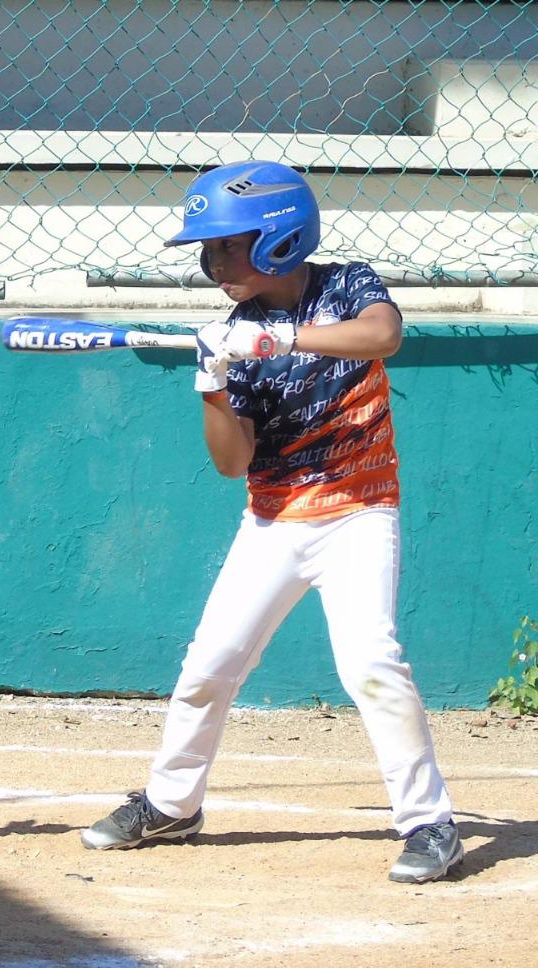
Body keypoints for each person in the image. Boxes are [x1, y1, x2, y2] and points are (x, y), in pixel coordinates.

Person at [79, 160, 462, 884]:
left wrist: (285, 341)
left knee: (371, 663)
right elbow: (233, 463)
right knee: (209, 666)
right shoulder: (234, 335)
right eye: (211, 248)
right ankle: (171, 804)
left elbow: (383, 337)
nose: (214, 261)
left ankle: (430, 824)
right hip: (275, 521)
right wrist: (214, 383)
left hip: (358, 511)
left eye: (229, 244)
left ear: (282, 237)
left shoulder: (346, 285)